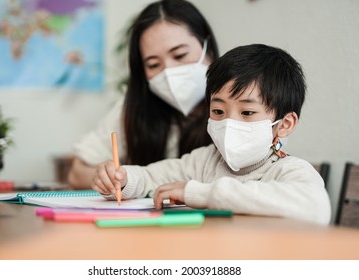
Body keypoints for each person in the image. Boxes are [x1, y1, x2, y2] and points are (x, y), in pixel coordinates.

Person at [91, 44, 332, 225]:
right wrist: (121, 179)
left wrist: (199, 193)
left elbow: (316, 206)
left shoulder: (289, 170)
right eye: (218, 111)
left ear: (285, 124)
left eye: (247, 112)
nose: (228, 122)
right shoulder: (204, 161)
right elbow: (151, 177)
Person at [68, 0, 219, 188]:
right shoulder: (134, 109)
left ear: (208, 47)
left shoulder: (240, 100)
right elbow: (77, 173)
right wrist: (107, 178)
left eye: (180, 55)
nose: (169, 72)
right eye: (153, 65)